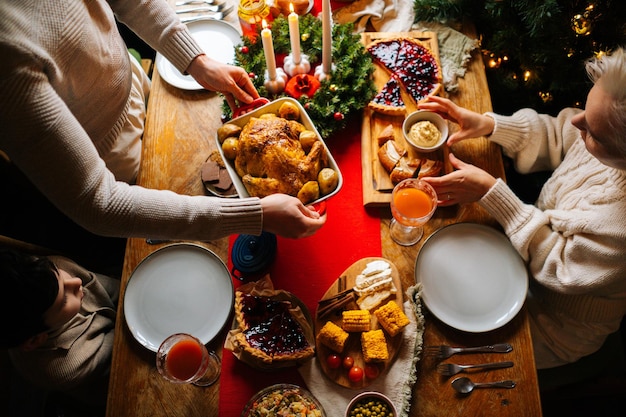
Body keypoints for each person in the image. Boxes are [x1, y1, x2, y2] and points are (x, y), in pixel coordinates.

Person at [0, 0, 325, 272]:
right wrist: (252, 216)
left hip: (136, 87)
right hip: (105, 154)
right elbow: (98, 203)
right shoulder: (7, 55)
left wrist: (195, 60)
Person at [418, 48, 626, 369]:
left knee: (446, 341)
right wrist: (490, 125)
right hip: (521, 256)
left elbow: (559, 268)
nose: (576, 121)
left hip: (554, 320)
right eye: (585, 108)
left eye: (593, 132)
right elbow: (561, 133)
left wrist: (493, 193)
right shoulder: (595, 127)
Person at [0, 248, 118, 408]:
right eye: (63, 301)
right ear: (36, 340)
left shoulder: (48, 273)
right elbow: (122, 350)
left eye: (57, 271)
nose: (76, 282)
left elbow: (116, 289)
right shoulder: (64, 366)